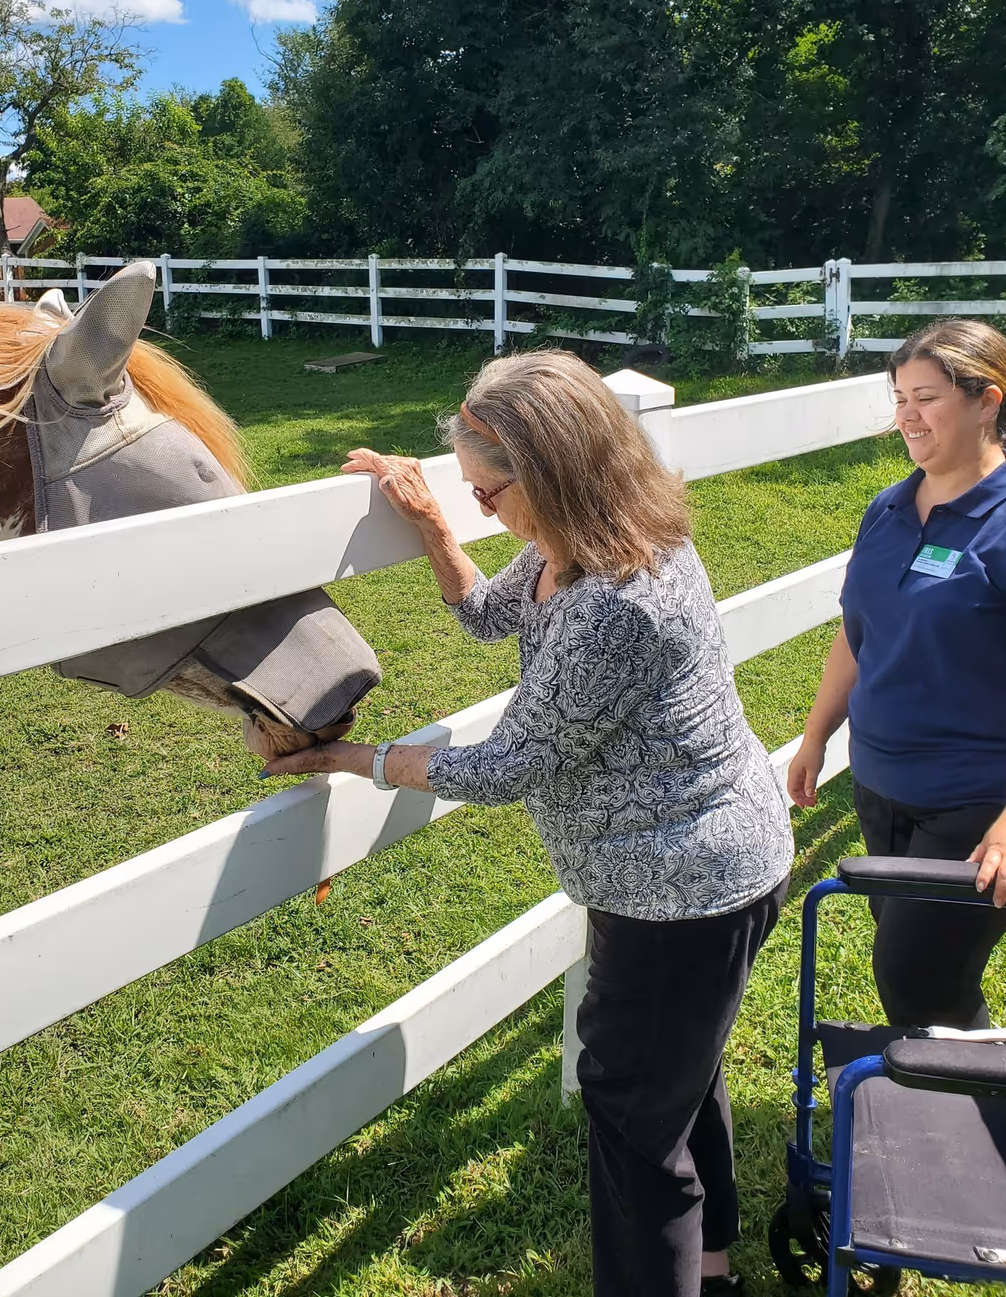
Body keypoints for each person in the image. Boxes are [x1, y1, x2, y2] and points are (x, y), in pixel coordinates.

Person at [258, 349, 794, 1297]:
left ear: (549, 474)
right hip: (691, 875)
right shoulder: (582, 541)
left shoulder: (619, 604)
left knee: (631, 1117)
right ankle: (712, 1270)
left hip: (681, 890)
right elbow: (484, 615)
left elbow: (505, 769)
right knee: (681, 1077)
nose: (479, 509)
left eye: (487, 492)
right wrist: (426, 520)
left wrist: (355, 759)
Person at [788, 319, 1006, 1030]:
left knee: (915, 977)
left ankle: (970, 1115)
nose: (907, 417)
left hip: (975, 801)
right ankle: (954, 1104)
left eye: (927, 397)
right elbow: (860, 634)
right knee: (926, 978)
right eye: (899, 399)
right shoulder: (887, 509)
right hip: (882, 788)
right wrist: (817, 734)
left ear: (988, 400)